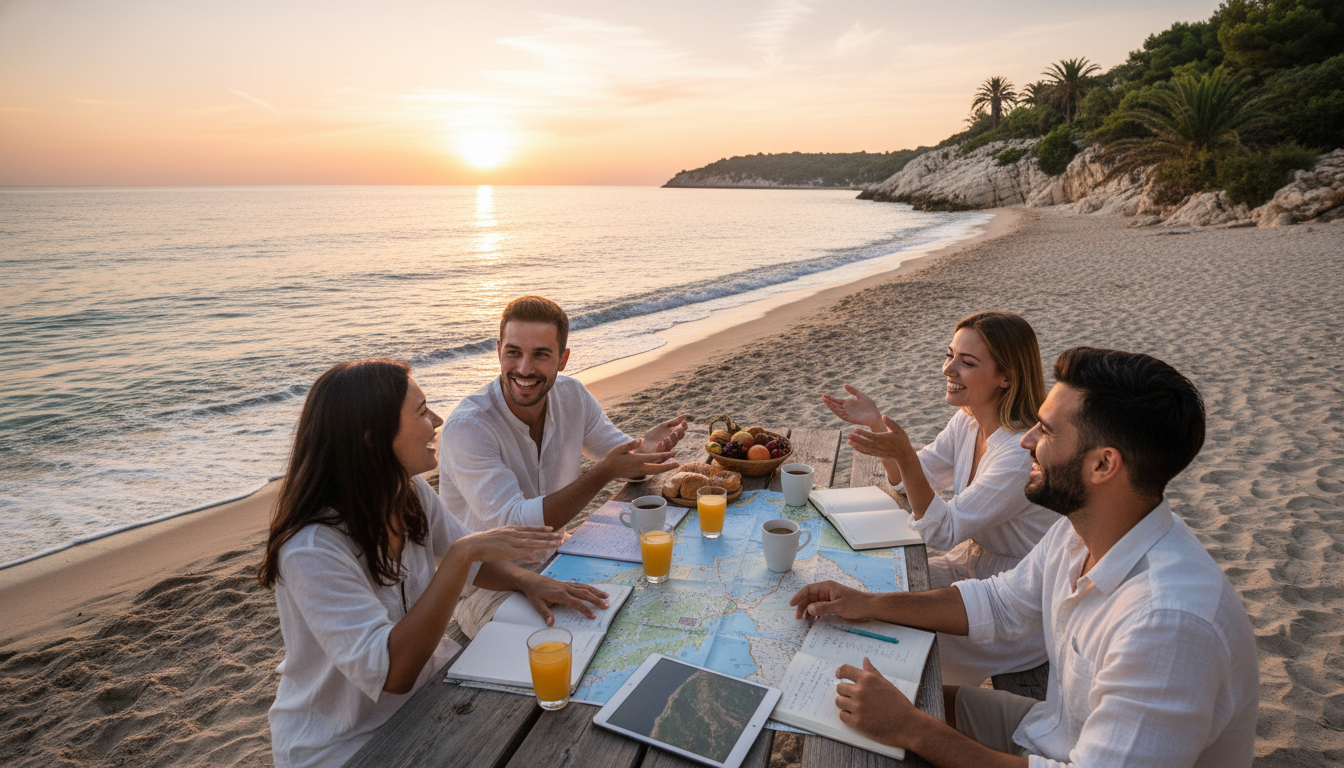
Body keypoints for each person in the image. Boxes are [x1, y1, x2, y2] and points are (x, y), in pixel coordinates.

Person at [792, 347, 1258, 767]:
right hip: (1051, 729)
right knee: (868, 700)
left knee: (887, 728)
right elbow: (996, 603)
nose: (1025, 440)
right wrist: (869, 602)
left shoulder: (1168, 622)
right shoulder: (1078, 532)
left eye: (1047, 430)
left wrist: (914, 728)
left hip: (1062, 755)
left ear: (1103, 465)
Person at [260, 359, 610, 768]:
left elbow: (474, 561)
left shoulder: (409, 492)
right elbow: (394, 673)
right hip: (342, 744)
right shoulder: (312, 549)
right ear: (372, 439)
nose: (438, 419)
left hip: (428, 693)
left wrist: (526, 581)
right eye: (422, 411)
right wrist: (463, 556)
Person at [822, 311, 1056, 686]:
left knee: (880, 629)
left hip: (1013, 599)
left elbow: (942, 530)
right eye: (950, 355)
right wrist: (877, 427)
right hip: (970, 565)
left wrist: (903, 454)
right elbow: (911, 481)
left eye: (967, 362)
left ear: (1006, 376)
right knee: (861, 586)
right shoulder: (968, 420)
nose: (949, 369)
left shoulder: (1017, 454)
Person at [439, 296, 688, 636]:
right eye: (514, 352)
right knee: (573, 638)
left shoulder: (572, 395)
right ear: (498, 351)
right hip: (489, 585)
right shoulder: (469, 428)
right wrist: (603, 473)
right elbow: (515, 526)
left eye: (541, 354)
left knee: (651, 603)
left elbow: (618, 455)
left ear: (563, 359)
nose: (524, 368)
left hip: (560, 555)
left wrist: (646, 449)